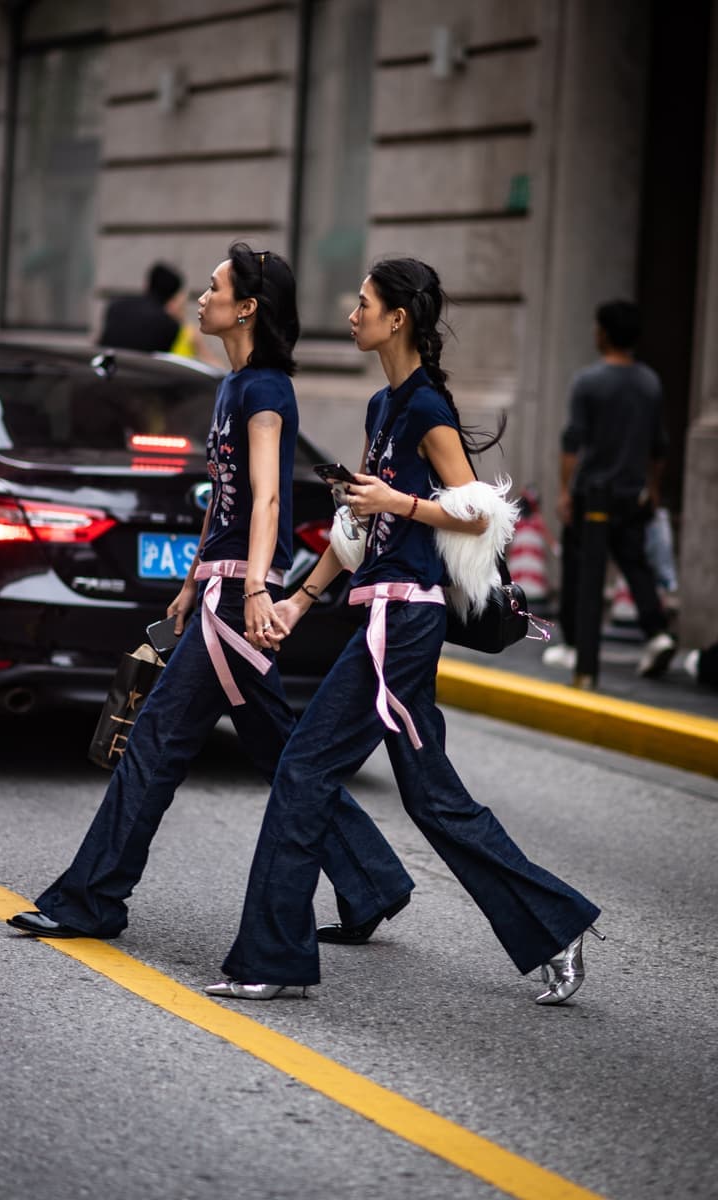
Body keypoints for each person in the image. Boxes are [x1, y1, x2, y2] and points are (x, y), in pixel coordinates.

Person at [205, 257, 603, 1007]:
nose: (350, 313)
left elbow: (481, 513)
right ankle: (556, 926)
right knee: (431, 798)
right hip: (381, 615)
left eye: (363, 304)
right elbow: (359, 521)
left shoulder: (425, 409)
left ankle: (273, 958)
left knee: (303, 771)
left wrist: (403, 501)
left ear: (397, 320)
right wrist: (298, 599)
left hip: (407, 622)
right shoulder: (382, 407)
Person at [7, 243, 413, 942]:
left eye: (215, 287)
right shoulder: (230, 385)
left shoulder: (265, 390)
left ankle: (92, 899)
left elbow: (263, 502)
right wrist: (192, 580)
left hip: (240, 597)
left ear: (247, 308)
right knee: (278, 748)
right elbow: (220, 500)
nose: (201, 297)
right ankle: (372, 880)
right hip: (220, 588)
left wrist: (255, 588)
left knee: (156, 743)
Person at [542, 300, 675, 679]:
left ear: (603, 333)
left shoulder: (589, 381)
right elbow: (659, 448)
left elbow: (572, 443)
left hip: (593, 494)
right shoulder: (650, 382)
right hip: (632, 493)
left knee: (580, 569)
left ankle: (573, 645)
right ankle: (657, 632)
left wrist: (566, 492)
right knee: (636, 565)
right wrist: (652, 488)